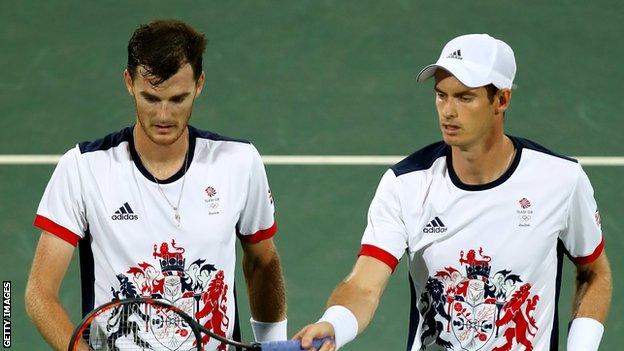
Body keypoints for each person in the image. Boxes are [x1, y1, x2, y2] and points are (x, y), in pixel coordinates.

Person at [294, 34, 612, 351]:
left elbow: (594, 272)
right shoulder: (406, 185)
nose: (448, 111)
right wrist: (334, 323)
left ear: (501, 100)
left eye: (464, 97)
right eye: (441, 95)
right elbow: (364, 286)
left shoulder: (561, 180)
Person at [25, 19, 287, 350]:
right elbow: (39, 293)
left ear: (200, 84)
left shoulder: (238, 163)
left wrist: (274, 344)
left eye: (178, 99)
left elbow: (263, 261)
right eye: (151, 98)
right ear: (129, 82)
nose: (163, 114)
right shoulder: (82, 168)